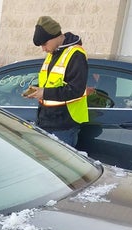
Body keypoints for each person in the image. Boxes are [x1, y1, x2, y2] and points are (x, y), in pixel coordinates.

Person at [23, 16, 88, 147]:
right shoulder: (54, 53)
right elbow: (51, 83)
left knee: (59, 167)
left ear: (55, 36)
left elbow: (76, 90)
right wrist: (36, 90)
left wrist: (45, 93)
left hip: (63, 125)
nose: (43, 49)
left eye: (44, 44)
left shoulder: (76, 55)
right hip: (46, 122)